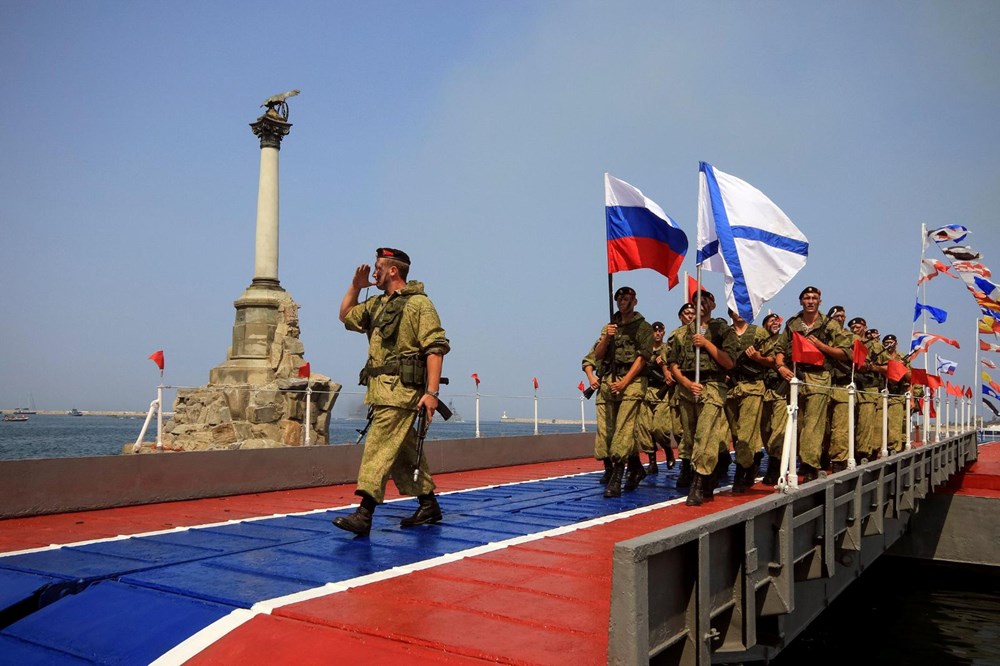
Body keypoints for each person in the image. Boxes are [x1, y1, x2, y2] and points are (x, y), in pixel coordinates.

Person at [332, 248, 450, 537]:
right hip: (380, 390)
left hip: (401, 391)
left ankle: (365, 512)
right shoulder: (377, 305)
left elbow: (435, 348)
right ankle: (428, 503)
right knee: (401, 451)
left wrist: (431, 393)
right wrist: (355, 287)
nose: (374, 273)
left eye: (378, 267)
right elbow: (346, 315)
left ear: (393, 270)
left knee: (379, 446)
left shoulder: (419, 305)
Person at [774, 286, 852, 482]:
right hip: (796, 377)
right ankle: (800, 460)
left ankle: (810, 467)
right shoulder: (793, 323)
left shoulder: (829, 324)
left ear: (819, 301)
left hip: (819, 377)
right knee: (797, 423)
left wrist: (821, 346)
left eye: (814, 298)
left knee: (813, 424)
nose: (810, 301)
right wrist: (780, 366)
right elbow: (780, 348)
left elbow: (846, 352)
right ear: (801, 301)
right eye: (807, 298)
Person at [667, 289, 737, 506]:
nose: (701, 304)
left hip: (712, 387)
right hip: (688, 387)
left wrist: (706, 344)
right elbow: (673, 364)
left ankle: (697, 483)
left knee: (704, 436)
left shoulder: (722, 330)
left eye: (706, 300)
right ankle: (707, 477)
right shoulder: (680, 334)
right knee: (689, 436)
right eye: (697, 301)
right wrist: (686, 383)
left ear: (713, 304)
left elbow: (729, 362)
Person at [589, 286, 654, 497]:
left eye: (627, 299)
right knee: (608, 431)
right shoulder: (610, 326)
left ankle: (617, 477)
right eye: (619, 299)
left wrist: (625, 382)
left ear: (635, 301)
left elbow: (642, 358)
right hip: (610, 381)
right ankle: (636, 468)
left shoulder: (643, 327)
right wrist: (607, 337)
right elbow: (597, 355)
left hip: (632, 381)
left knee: (624, 430)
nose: (622, 302)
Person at [723, 308, 769, 492]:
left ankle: (741, 472)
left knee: (746, 433)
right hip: (732, 388)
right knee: (735, 433)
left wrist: (758, 358)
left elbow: (773, 359)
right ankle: (749, 464)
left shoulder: (759, 332)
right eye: (735, 308)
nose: (739, 312)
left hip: (752, 387)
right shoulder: (726, 333)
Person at [663, 302, 697, 487]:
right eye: (686, 313)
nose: (690, 316)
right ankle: (685, 463)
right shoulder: (675, 335)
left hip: (697, 386)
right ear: (680, 316)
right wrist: (667, 372)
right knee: (679, 430)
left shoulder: (702, 333)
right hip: (678, 388)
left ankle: (691, 467)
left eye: (693, 313)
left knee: (695, 431)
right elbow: (668, 357)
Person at [758, 313, 788, 486]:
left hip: (780, 389)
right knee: (765, 429)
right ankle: (772, 456)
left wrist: (759, 358)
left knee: (778, 429)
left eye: (777, 321)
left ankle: (775, 465)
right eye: (771, 321)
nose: (775, 323)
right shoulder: (760, 342)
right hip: (764, 389)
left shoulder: (784, 342)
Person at [848, 317, 884, 464]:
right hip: (849, 386)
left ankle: (863, 453)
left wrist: (870, 367)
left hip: (868, 388)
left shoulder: (875, 347)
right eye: (853, 327)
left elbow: (889, 367)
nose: (855, 329)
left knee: (865, 422)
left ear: (865, 327)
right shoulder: (847, 340)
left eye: (858, 326)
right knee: (850, 423)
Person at [639, 321, 673, 474]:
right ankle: (652, 461)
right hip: (646, 391)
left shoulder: (667, 349)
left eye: (660, 331)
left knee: (659, 428)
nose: (658, 333)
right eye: (655, 331)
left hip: (662, 392)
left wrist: (662, 365)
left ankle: (667, 450)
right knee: (645, 429)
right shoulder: (644, 350)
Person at [879, 334, 910, 454]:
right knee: (879, 426)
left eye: (891, 342)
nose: (889, 345)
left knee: (895, 427)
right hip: (882, 392)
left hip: (897, 394)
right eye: (886, 342)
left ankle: (894, 450)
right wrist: (890, 367)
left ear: (896, 344)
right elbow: (875, 367)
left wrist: (900, 367)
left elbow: (909, 377)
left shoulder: (902, 357)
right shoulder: (880, 356)